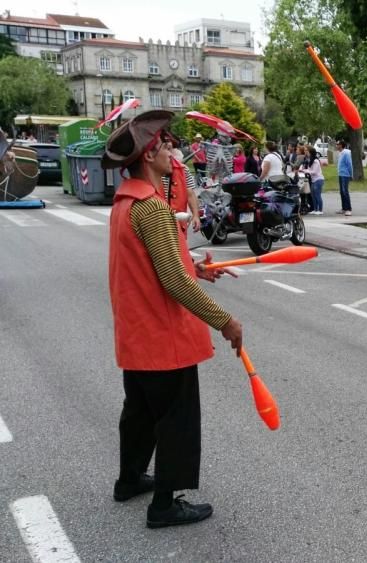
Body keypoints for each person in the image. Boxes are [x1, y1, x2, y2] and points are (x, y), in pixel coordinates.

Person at [102, 110, 243, 529]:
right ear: (148, 156)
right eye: (164, 145)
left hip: (136, 334)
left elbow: (154, 263)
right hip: (163, 337)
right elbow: (172, 282)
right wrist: (225, 321)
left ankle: (129, 481)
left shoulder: (125, 202)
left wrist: (196, 267)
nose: (171, 150)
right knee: (176, 420)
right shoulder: (152, 209)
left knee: (140, 414)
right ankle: (165, 504)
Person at [164, 148, 201, 234]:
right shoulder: (152, 170)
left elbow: (190, 194)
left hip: (179, 221)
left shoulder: (184, 169)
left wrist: (196, 215)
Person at [305, 147, 325, 215]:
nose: (306, 153)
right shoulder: (310, 160)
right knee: (313, 195)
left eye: (307, 151)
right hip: (313, 180)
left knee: (317, 195)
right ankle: (315, 209)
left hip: (318, 179)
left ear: (311, 153)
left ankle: (320, 210)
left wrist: (305, 171)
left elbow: (314, 171)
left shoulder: (316, 161)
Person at [337, 140, 353, 216]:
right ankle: (344, 208)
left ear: (341, 145)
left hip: (345, 175)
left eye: (338, 144)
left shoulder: (346, 153)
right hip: (340, 174)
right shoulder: (340, 153)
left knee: (345, 191)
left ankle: (348, 209)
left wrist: (351, 174)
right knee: (341, 192)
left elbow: (349, 164)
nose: (337, 146)